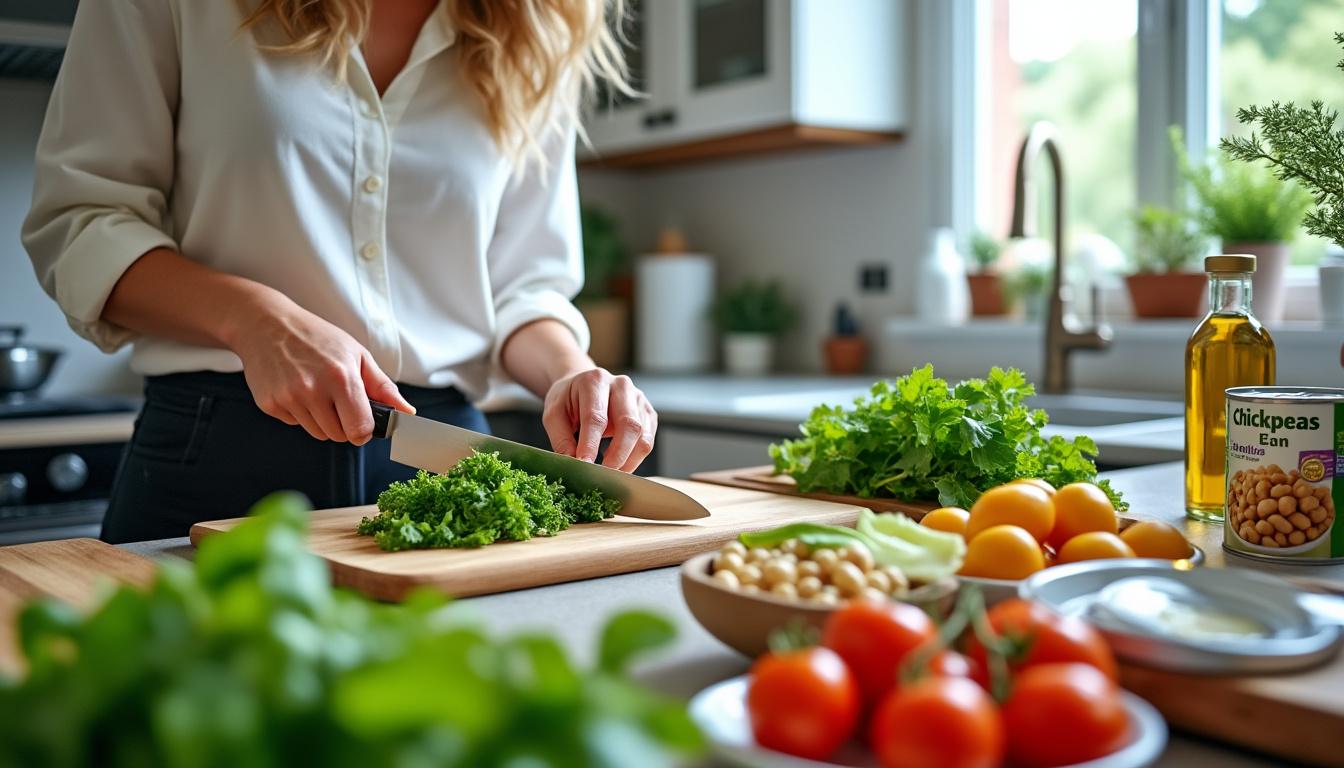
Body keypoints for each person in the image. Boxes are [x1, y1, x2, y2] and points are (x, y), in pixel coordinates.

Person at [22, 0, 654, 543]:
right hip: (213, 455)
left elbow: (523, 289)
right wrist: (255, 319)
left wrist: (570, 373)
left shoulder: (534, 33)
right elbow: (81, 222)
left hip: (444, 461)